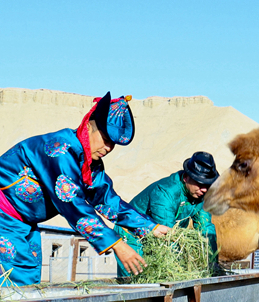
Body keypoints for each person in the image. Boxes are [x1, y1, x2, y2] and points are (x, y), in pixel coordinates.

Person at [0, 93, 170, 286]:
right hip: (4, 216)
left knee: (30, 274)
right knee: (19, 276)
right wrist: (117, 244)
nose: (108, 148)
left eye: (112, 144)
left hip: (25, 222)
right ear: (89, 125)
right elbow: (72, 203)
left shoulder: (90, 164)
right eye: (105, 139)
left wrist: (150, 227)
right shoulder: (59, 150)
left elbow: (107, 200)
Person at [115, 152, 220, 276]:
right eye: (200, 183)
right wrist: (177, 269)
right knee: (138, 278)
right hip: (132, 234)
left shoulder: (200, 196)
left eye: (208, 185)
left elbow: (205, 227)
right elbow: (167, 235)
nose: (204, 189)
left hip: (157, 236)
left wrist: (212, 261)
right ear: (186, 177)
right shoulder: (165, 193)